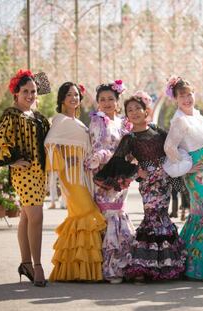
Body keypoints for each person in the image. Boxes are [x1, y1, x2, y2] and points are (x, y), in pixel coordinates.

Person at [94, 95, 186, 282]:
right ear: (127, 115)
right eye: (130, 110)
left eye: (138, 108)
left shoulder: (158, 131)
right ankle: (144, 266)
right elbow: (117, 160)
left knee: (162, 217)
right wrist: (136, 171)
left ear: (146, 111)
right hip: (148, 184)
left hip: (164, 182)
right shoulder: (130, 138)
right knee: (152, 217)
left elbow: (173, 148)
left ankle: (165, 265)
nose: (134, 112)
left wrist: (177, 178)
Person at [0, 69, 50, 287]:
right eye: (25, 91)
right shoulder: (11, 115)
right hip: (23, 173)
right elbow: (0, 140)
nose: (30, 95)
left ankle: (25, 263)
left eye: (33, 91)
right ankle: (38, 266)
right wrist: (11, 161)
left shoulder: (39, 117)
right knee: (37, 216)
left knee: (26, 217)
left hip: (40, 173)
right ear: (16, 93)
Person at [164, 77, 203, 281]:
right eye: (182, 96)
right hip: (197, 172)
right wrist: (187, 166)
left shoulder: (196, 116)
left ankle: (186, 260)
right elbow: (169, 147)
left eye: (189, 94)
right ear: (176, 99)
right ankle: (200, 267)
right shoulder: (180, 120)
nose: (187, 98)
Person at [45, 82, 106, 282]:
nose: (74, 98)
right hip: (71, 177)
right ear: (62, 98)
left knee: (80, 216)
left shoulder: (79, 122)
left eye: (77, 95)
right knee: (86, 213)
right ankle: (81, 270)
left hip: (83, 175)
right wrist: (66, 161)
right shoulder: (60, 120)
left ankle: (75, 270)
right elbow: (50, 144)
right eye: (69, 94)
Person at [84, 80, 135, 283]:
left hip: (122, 175)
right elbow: (97, 146)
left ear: (117, 102)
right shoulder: (98, 120)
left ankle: (122, 265)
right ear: (97, 103)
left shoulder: (124, 122)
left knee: (119, 212)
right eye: (102, 99)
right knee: (109, 215)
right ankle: (109, 269)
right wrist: (107, 156)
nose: (106, 102)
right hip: (105, 175)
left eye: (110, 99)